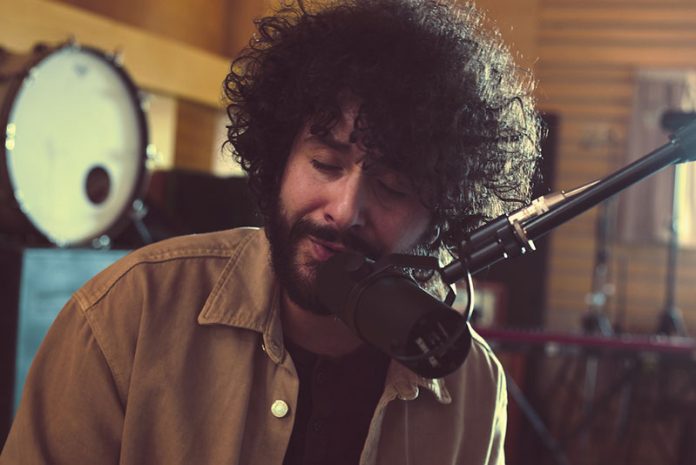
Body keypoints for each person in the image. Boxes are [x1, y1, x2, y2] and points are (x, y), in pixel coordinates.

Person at [1, 0, 541, 464]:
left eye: (393, 186)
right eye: (325, 164)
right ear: (280, 159)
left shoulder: (472, 384)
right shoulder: (126, 315)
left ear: (442, 212)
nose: (344, 210)